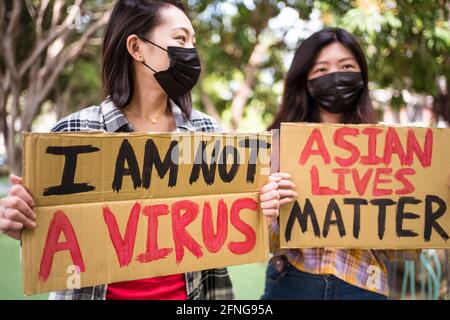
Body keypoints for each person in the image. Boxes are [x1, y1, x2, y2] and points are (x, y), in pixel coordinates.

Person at [0, 0, 233, 300]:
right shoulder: (72, 134)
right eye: (180, 39)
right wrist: (23, 222)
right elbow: (50, 249)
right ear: (137, 48)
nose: (192, 52)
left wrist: (260, 205)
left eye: (193, 42)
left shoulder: (209, 134)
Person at [258, 27, 420, 300]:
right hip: (291, 279)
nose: (334, 76)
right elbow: (264, 240)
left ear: (361, 77)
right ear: (305, 80)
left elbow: (403, 243)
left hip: (362, 283)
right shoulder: (274, 144)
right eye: (321, 70)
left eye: (346, 66)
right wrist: (267, 211)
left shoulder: (392, 149)